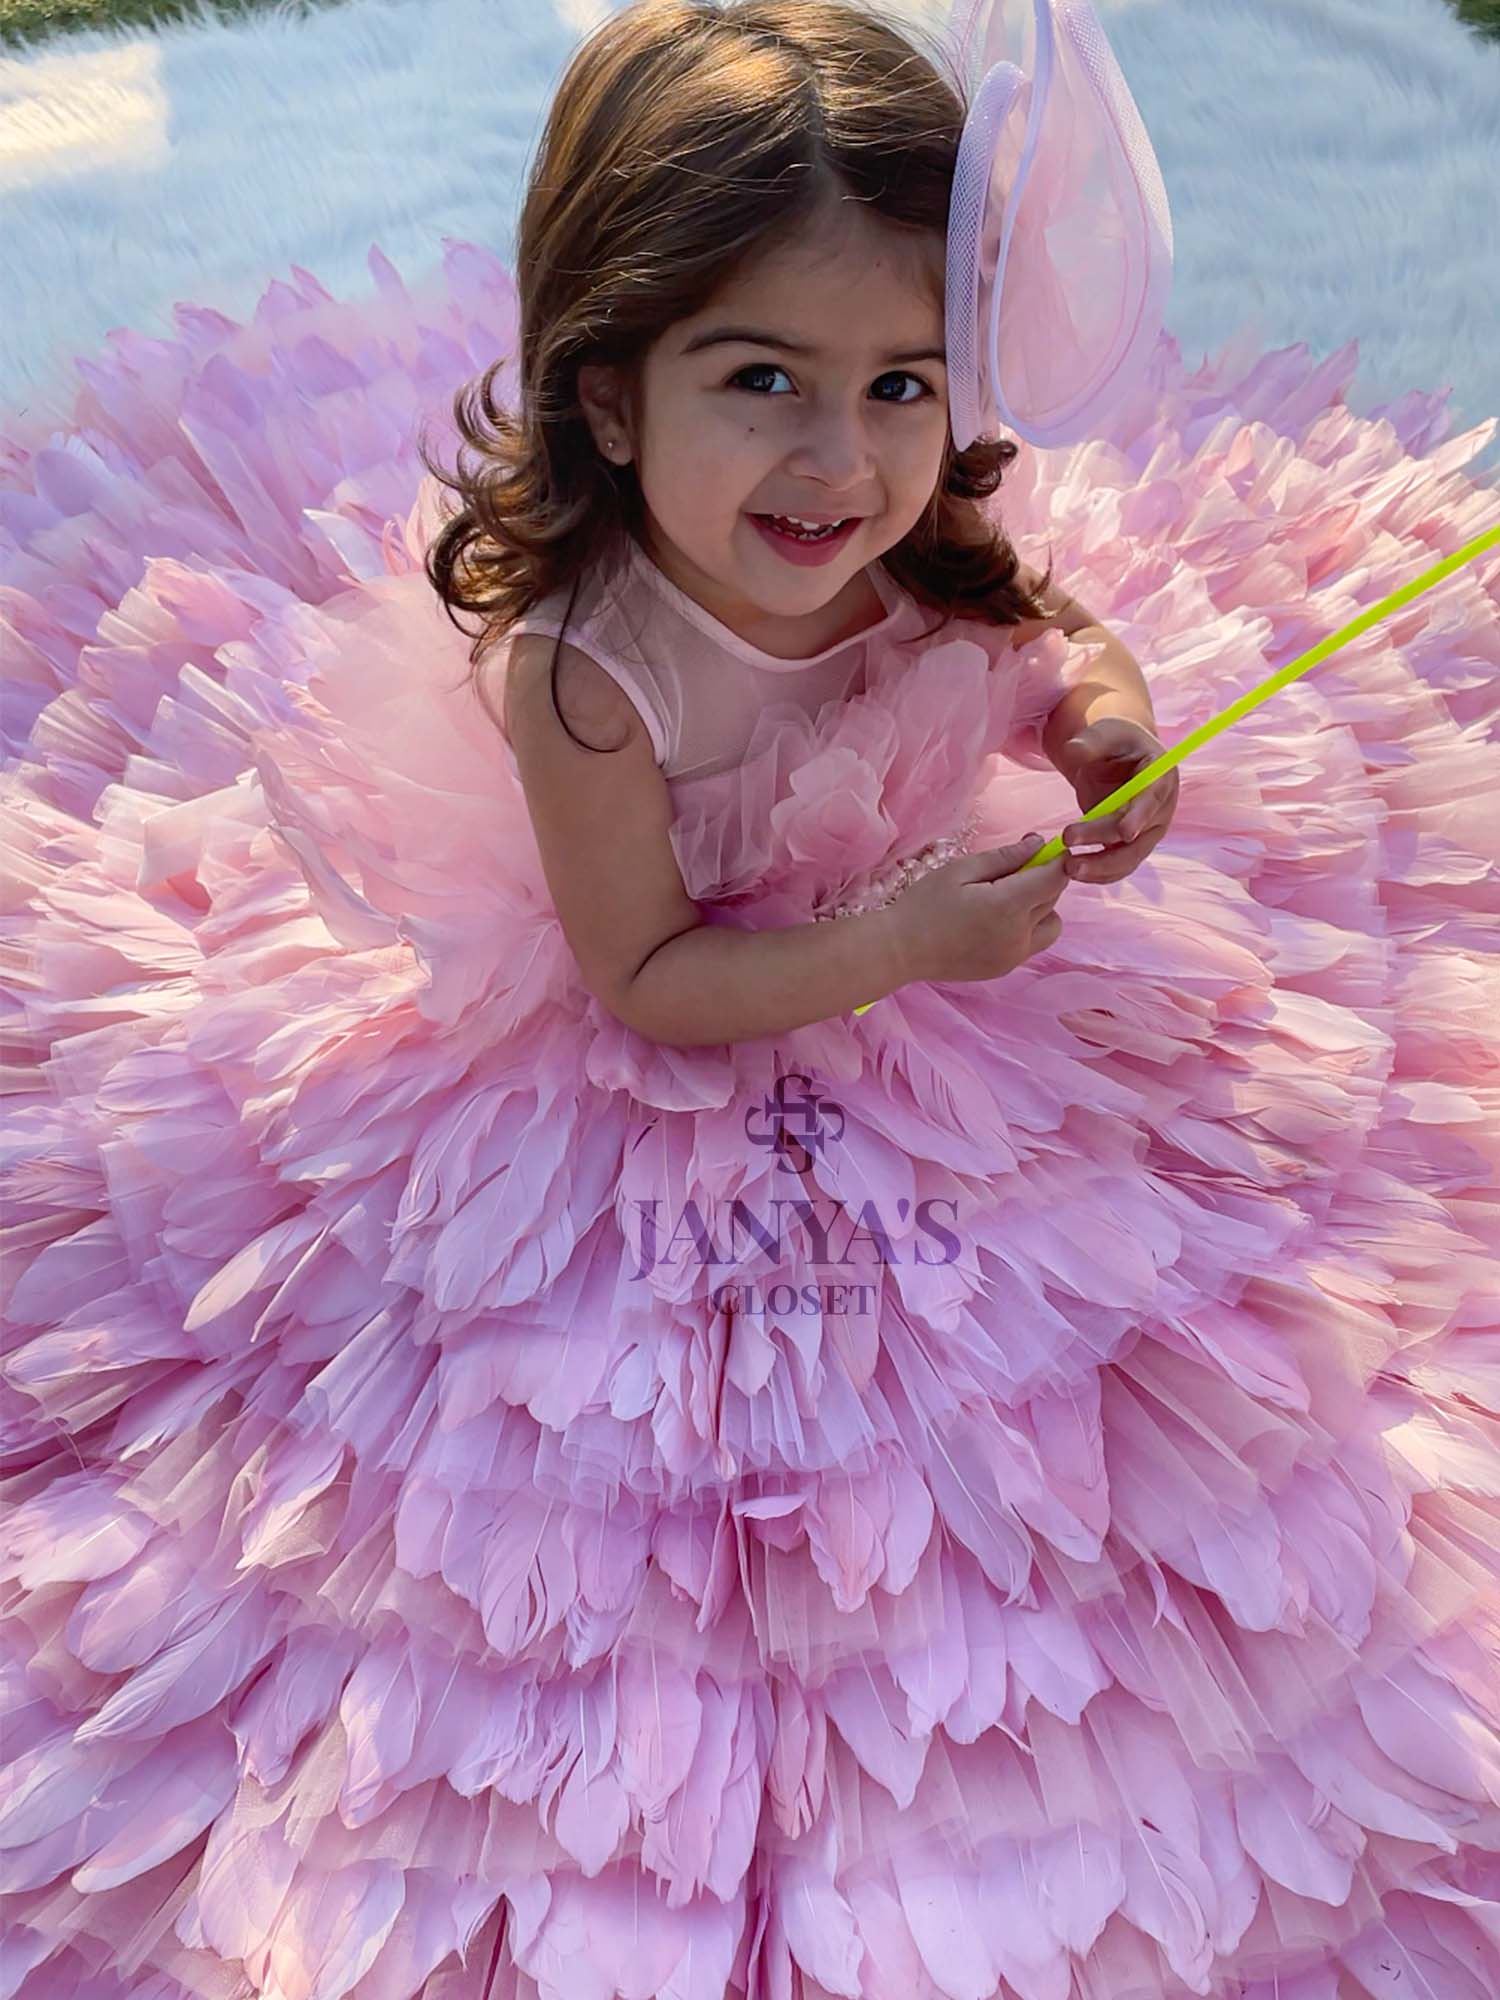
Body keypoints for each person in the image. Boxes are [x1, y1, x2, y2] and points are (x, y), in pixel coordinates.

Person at [2, 3, 1498, 1997]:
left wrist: (1106, 720)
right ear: (610, 396)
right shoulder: (585, 672)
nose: (840, 456)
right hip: (712, 976)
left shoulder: (909, 507)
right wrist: (895, 945)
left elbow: (1033, 622)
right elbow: (642, 980)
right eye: (761, 379)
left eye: (899, 383)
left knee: (1181, 1320)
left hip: (924, 916)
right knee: (662, 1440)